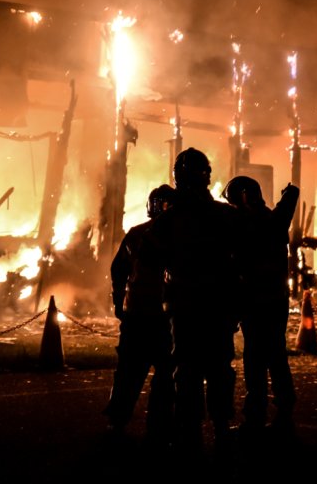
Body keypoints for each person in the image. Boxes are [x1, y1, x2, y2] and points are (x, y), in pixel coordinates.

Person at [139, 148, 241, 458]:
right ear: (207, 176)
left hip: (185, 305)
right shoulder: (225, 215)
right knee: (219, 367)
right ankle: (222, 428)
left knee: (188, 370)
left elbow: (151, 252)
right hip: (218, 304)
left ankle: (190, 431)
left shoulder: (170, 219)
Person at [222, 176, 299, 439]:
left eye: (234, 202)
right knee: (276, 355)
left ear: (243, 198)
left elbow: (237, 265)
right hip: (276, 301)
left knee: (255, 359)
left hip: (256, 302)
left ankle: (255, 416)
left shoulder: (252, 224)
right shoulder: (273, 220)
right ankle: (283, 409)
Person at [103, 184, 177, 447]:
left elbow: (118, 270)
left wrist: (118, 301)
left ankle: (117, 421)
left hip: (137, 314)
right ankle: (159, 426)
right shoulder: (181, 236)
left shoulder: (137, 234)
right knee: (166, 374)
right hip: (166, 318)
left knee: (128, 372)